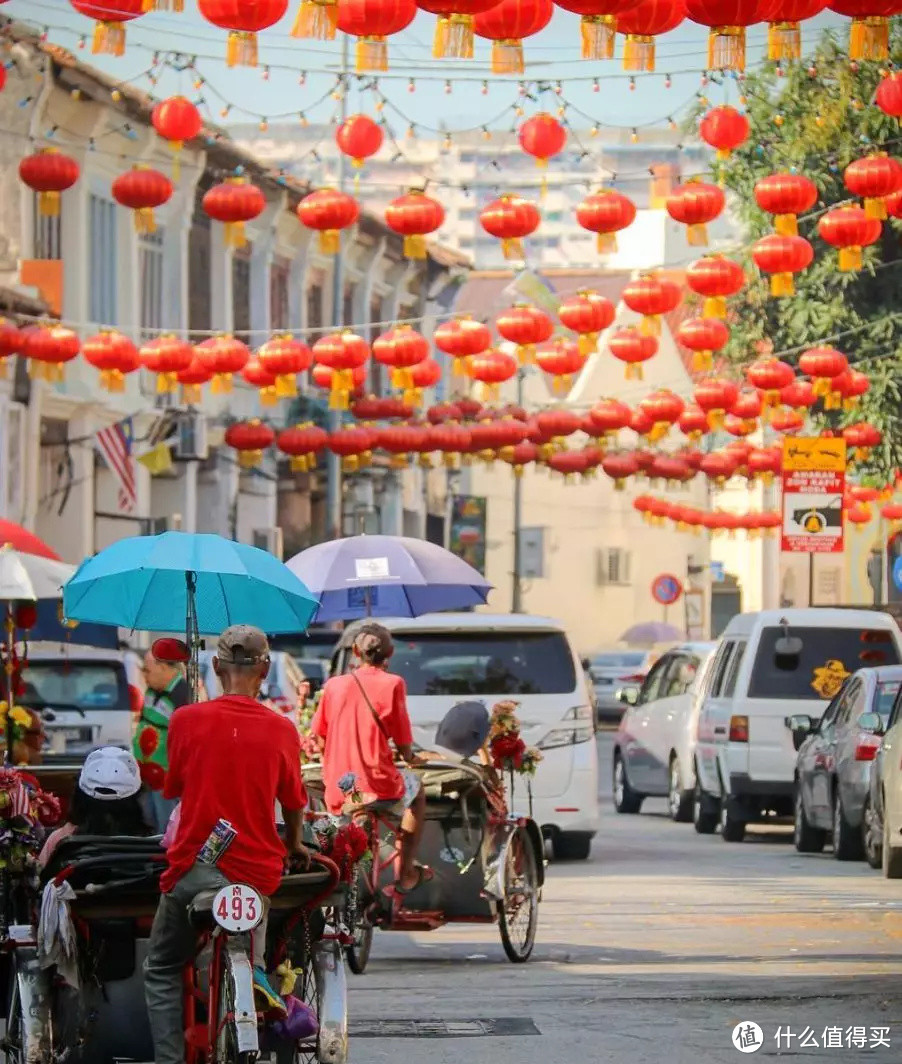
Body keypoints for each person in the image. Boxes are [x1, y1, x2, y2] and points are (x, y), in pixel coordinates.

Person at [144, 625, 310, 1064]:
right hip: (256, 874)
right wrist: (294, 843)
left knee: (161, 967)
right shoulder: (282, 730)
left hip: (192, 868)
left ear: (216, 667)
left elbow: (174, 785)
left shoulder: (185, 719)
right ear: (266, 669)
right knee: (256, 948)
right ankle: (253, 978)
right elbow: (294, 802)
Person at [311, 622, 430, 895]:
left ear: (354, 651)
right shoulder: (393, 683)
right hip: (379, 785)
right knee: (418, 791)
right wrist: (410, 757)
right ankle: (406, 870)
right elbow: (402, 738)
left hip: (340, 786)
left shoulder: (334, 686)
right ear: (389, 654)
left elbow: (319, 736)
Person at [38, 747, 150, 867]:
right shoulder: (150, 847)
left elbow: (42, 881)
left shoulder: (60, 841)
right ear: (136, 799)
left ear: (80, 795)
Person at [134, 638, 192, 833]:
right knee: (148, 825)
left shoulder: (183, 695)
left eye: (147, 670)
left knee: (165, 829)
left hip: (167, 782)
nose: (143, 675)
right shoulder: (151, 692)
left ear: (164, 667)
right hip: (147, 779)